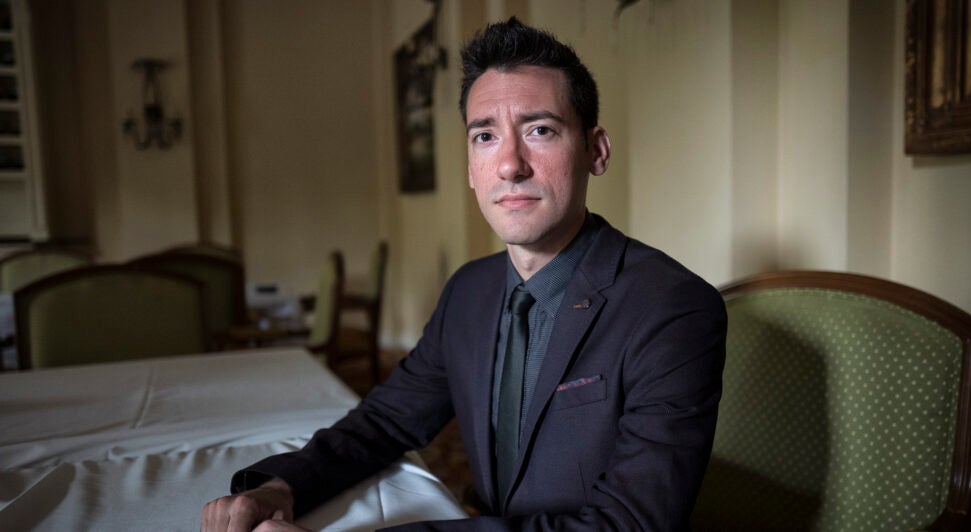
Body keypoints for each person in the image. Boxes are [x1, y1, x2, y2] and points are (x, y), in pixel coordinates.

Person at [202, 17, 726, 532]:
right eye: (485, 137)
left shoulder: (673, 308)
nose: (509, 165)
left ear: (596, 151)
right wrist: (282, 487)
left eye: (540, 130)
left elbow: (629, 523)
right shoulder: (468, 292)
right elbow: (385, 422)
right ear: (470, 170)